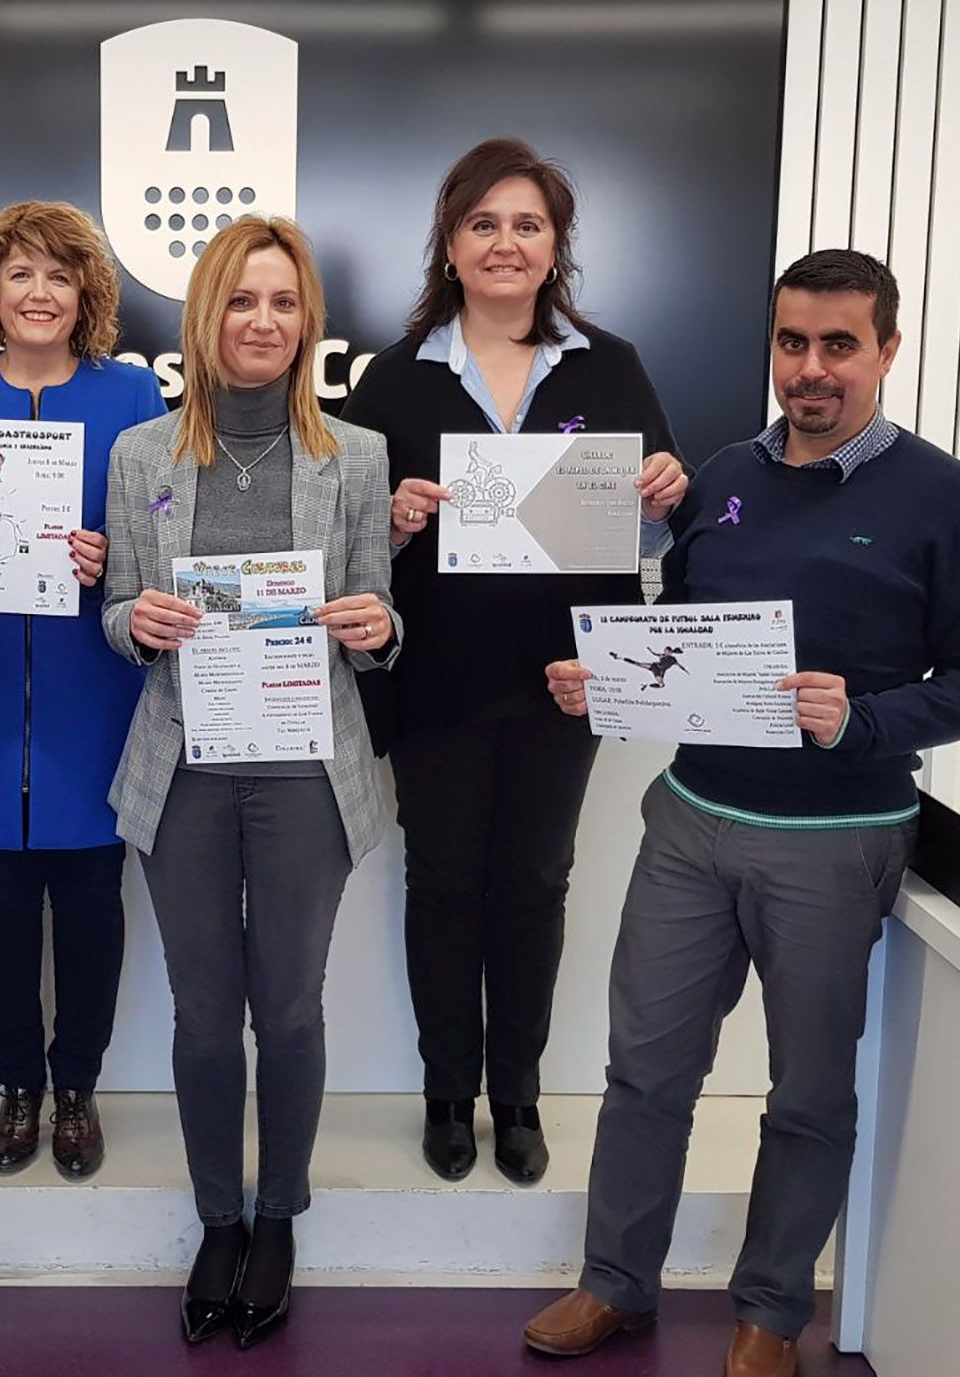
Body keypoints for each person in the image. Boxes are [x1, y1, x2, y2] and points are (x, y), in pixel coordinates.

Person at [522, 250, 960, 1377]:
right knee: (645, 1071)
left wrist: (866, 718)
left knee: (804, 1091)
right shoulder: (722, 474)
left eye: (838, 345)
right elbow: (680, 630)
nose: (810, 369)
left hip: (837, 841)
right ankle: (614, 1279)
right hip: (690, 822)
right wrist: (610, 678)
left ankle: (768, 1309)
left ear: (885, 350)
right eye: (792, 343)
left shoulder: (947, 498)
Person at [342, 137, 688, 1185]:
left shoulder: (610, 365)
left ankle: (517, 1095)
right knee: (442, 881)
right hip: (435, 677)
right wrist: (393, 524)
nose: (504, 243)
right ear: (449, 243)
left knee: (534, 883)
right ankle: (446, 1093)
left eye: (525, 225)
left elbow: (645, 542)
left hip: (561, 678)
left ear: (554, 246)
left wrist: (659, 504)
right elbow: (351, 557)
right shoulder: (392, 380)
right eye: (482, 223)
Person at [102, 216, 399, 1349]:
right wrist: (141, 619)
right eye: (240, 301)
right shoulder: (141, 456)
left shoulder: (353, 457)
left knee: (287, 1007)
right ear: (202, 317)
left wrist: (377, 622)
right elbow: (114, 611)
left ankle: (278, 1215)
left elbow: (376, 613)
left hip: (304, 770)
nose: (261, 323)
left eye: (282, 304)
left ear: (307, 322)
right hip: (182, 768)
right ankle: (215, 1218)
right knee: (197, 1013)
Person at [0, 202, 166, 1178]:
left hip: (91, 695)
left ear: (86, 291)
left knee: (93, 901)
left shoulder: (130, 394)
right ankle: (18, 1087)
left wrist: (117, 555)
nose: (39, 293)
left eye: (59, 275)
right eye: (20, 274)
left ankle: (77, 1088)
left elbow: (160, 541)